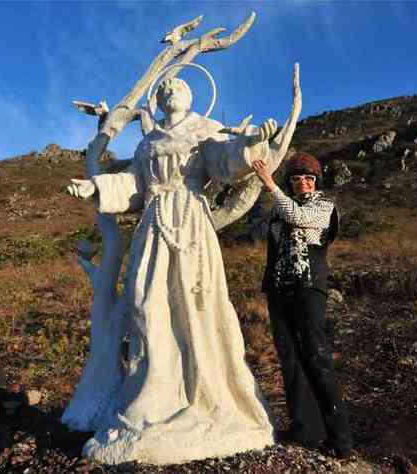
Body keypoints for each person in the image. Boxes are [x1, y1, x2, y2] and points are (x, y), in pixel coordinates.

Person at [66, 77, 279, 464]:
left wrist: (249, 146)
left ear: (191, 95)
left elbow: (226, 161)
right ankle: (154, 391)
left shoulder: (204, 130)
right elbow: (133, 183)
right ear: (158, 101)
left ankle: (202, 389)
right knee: (147, 303)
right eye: (163, 90)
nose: (169, 93)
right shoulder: (148, 142)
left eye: (176, 88)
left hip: (191, 221)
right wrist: (96, 187)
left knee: (196, 302)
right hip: (153, 222)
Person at [252, 153, 353, 458]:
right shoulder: (279, 211)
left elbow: (301, 218)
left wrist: (271, 185)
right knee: (289, 358)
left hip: (309, 289)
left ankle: (341, 440)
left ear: (316, 182)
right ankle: (303, 429)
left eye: (308, 179)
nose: (302, 184)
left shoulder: (324, 206)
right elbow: (274, 244)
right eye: (296, 179)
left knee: (316, 356)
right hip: (280, 291)